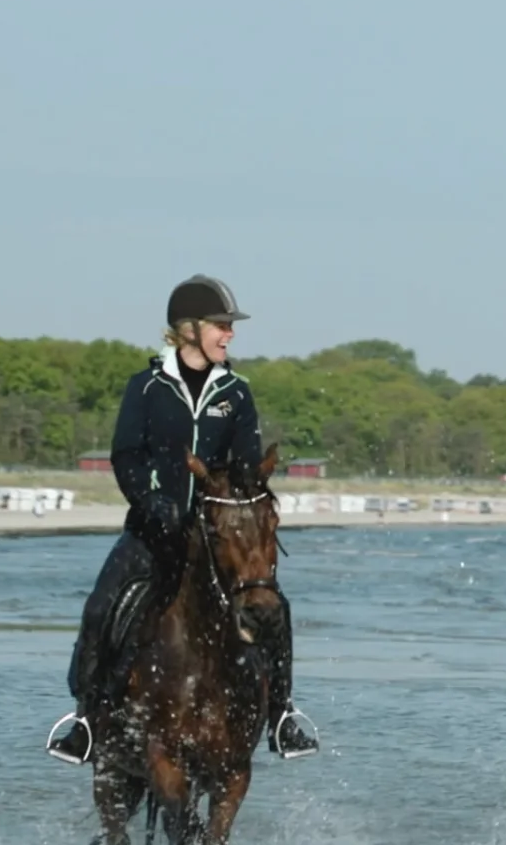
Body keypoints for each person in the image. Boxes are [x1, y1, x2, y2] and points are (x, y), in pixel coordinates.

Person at [45, 275, 320, 764]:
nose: (229, 334)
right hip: (151, 532)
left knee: (275, 607)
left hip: (215, 540)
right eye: (221, 326)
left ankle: (281, 715)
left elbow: (244, 466)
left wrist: (245, 502)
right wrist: (152, 501)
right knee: (101, 604)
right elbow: (126, 456)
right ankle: (85, 719)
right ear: (189, 329)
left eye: (229, 327)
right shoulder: (146, 387)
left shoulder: (236, 393)